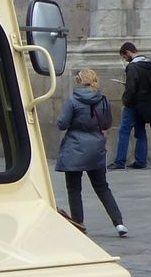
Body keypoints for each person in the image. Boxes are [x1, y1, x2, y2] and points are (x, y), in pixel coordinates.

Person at [55, 68, 128, 238]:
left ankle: (79, 223)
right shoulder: (103, 100)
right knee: (102, 187)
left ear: (79, 81)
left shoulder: (73, 101)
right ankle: (119, 223)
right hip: (96, 147)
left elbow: (62, 124)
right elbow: (107, 123)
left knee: (74, 188)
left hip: (75, 147)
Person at [112, 41, 151, 169]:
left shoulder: (132, 67)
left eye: (124, 57)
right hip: (144, 104)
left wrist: (125, 100)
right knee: (141, 131)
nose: (125, 60)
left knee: (124, 131)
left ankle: (120, 161)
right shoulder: (148, 65)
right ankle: (141, 161)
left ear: (128, 52)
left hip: (133, 104)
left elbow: (131, 88)